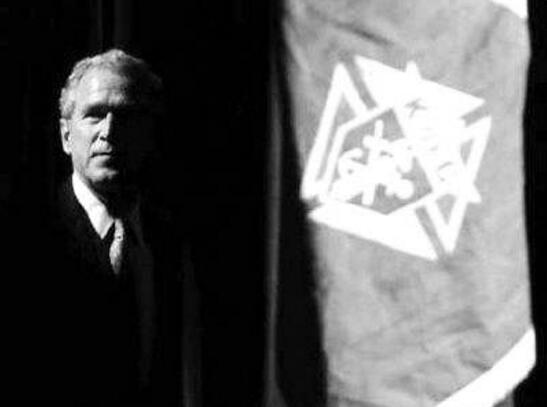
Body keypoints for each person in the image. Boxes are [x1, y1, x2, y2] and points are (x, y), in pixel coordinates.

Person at [25, 49, 191, 406]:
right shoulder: (25, 238)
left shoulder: (173, 242)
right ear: (66, 135)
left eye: (127, 117)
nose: (110, 131)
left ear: (150, 135)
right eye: (94, 115)